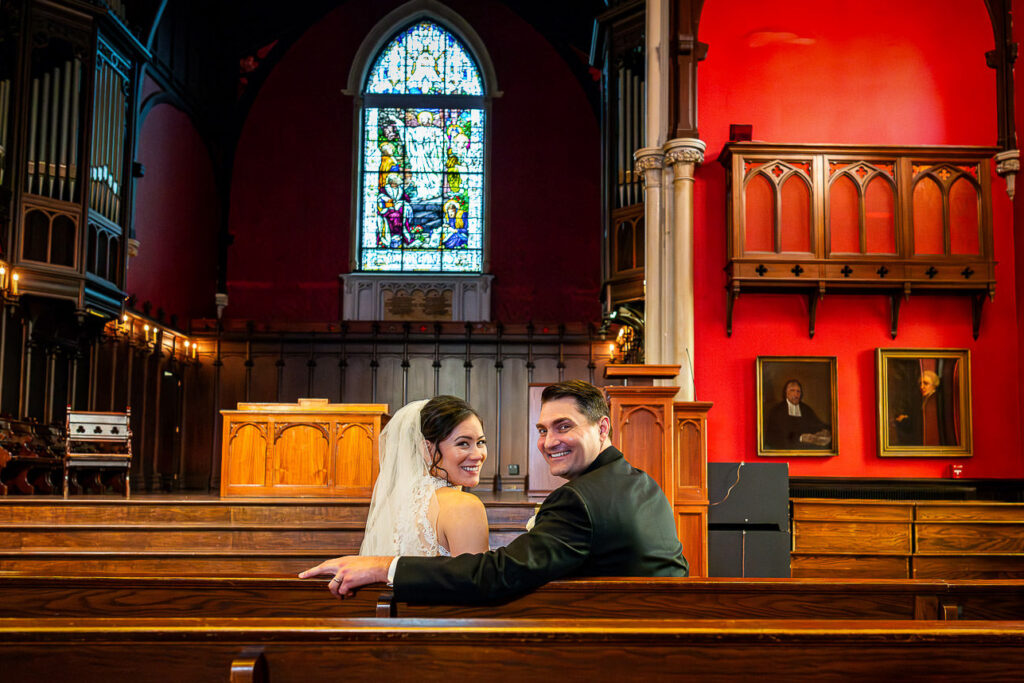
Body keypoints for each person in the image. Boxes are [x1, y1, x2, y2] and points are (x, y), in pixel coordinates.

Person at [300, 380, 687, 603]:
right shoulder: (642, 483)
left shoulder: (578, 499)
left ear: (602, 428)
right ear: (429, 449)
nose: (549, 441)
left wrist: (383, 566)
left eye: (563, 426)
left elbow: (497, 576)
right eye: (542, 429)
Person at [358, 395, 490, 559]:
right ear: (427, 449)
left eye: (481, 442)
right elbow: (474, 582)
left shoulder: (397, 503)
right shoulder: (465, 507)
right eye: (463, 443)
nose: (478, 454)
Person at [764, 379, 832, 449]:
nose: (796, 394)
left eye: (798, 391)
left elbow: (816, 423)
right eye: (792, 390)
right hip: (784, 448)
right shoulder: (777, 410)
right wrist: (801, 438)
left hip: (806, 447)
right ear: (786, 393)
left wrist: (825, 429)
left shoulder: (806, 409)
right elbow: (777, 436)